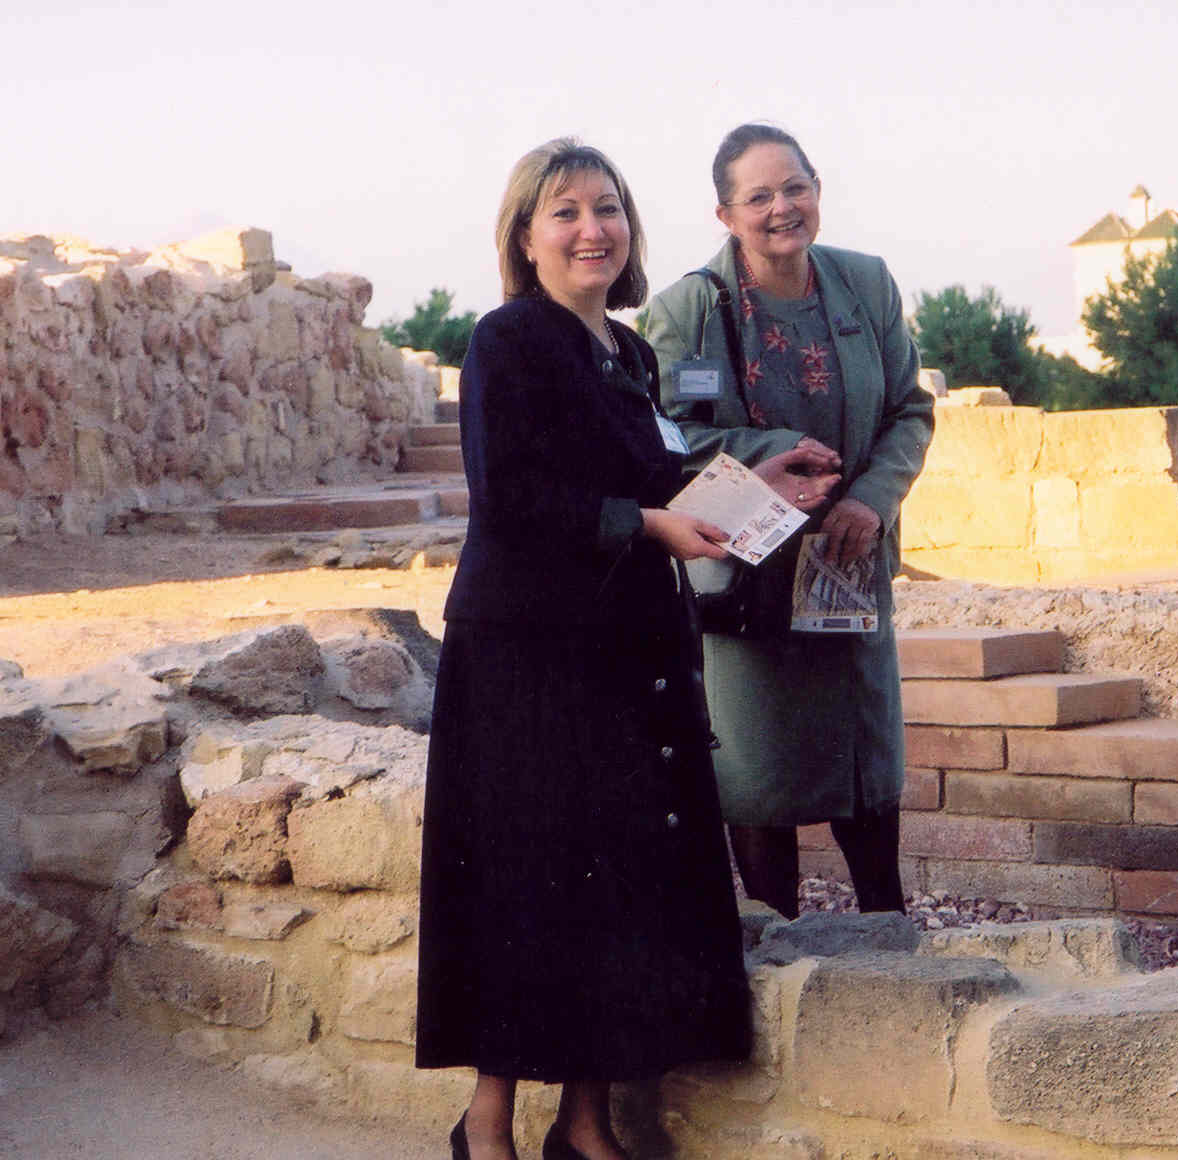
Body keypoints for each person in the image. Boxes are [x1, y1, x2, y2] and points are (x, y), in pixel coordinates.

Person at [416, 138, 823, 1160]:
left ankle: (585, 1122)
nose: (592, 229)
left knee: (616, 879)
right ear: (525, 236)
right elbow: (510, 498)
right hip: (526, 656)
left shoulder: (628, 354)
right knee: (527, 877)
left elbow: (657, 479)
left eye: (607, 208)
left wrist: (764, 483)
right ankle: (486, 1125)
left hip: (623, 651)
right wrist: (646, 525)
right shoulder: (508, 339)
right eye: (565, 212)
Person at [640, 123, 936, 920]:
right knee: (760, 775)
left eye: (795, 187)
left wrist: (872, 498)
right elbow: (670, 438)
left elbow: (909, 410)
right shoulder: (687, 312)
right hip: (744, 581)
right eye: (759, 196)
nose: (782, 208)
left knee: (863, 766)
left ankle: (889, 937)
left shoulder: (864, 284)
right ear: (725, 215)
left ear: (817, 191)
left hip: (846, 560)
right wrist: (773, 450)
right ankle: (779, 945)